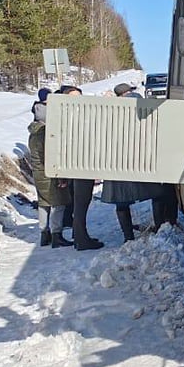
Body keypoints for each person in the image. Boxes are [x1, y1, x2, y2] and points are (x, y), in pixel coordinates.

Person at [100, 82, 165, 242]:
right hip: (143, 159)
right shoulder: (146, 106)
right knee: (157, 194)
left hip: (118, 161)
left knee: (121, 203)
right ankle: (159, 226)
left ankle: (128, 236)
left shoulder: (112, 111)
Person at [56, 85, 105, 250]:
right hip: (78, 165)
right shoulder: (67, 119)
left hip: (83, 164)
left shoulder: (79, 116)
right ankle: (81, 240)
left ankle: (80, 237)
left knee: (82, 202)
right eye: (73, 97)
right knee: (80, 204)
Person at [27, 97, 72, 248]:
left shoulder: (33, 131)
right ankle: (56, 235)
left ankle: (44, 234)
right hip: (49, 172)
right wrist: (60, 175)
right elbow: (50, 155)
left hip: (38, 172)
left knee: (43, 203)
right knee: (58, 204)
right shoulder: (45, 132)